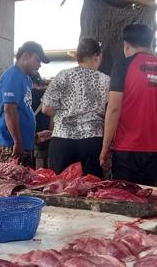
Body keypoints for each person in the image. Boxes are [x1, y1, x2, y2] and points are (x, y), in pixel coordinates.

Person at [99, 23, 157, 185]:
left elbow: (113, 108)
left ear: (126, 44)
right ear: (150, 44)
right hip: (153, 147)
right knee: (146, 196)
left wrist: (105, 147)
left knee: (123, 198)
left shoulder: (122, 66)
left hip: (126, 148)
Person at [42, 38, 110, 176]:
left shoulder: (63, 75)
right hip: (92, 142)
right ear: (98, 56)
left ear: (78, 57)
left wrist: (65, 115)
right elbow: (110, 112)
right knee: (91, 191)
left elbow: (46, 108)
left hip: (62, 140)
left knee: (60, 189)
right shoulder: (106, 80)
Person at [0, 41, 49, 164]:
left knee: (23, 181)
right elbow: (9, 110)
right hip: (10, 146)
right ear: (26, 56)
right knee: (11, 182)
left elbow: (23, 110)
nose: (39, 65)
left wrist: (33, 137)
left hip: (22, 145)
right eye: (38, 60)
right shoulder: (13, 76)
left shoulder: (27, 79)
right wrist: (17, 141)